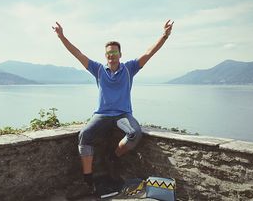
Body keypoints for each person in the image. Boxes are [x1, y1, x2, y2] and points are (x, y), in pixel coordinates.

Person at [52, 20, 173, 197]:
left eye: (115, 52)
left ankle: (113, 157)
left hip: (122, 115)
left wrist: (164, 36)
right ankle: (88, 179)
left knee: (134, 133)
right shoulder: (98, 69)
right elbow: (77, 53)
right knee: (84, 135)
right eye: (109, 53)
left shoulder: (130, 68)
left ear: (120, 54)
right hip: (101, 115)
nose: (111, 56)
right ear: (105, 55)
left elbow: (149, 52)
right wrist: (62, 36)